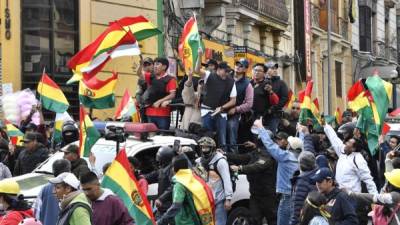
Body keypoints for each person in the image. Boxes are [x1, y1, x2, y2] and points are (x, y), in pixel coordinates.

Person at [253, 119, 298, 225]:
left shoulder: (286, 156)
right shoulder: (301, 156)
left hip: (287, 196)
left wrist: (260, 127)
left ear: (289, 145)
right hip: (295, 195)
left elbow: (270, 145)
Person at [226, 140, 277, 225]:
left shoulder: (268, 154)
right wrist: (225, 154)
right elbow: (242, 157)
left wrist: (240, 168)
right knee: (253, 219)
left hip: (268, 196)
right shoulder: (256, 152)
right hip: (255, 194)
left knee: (272, 219)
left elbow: (258, 166)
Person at [195, 49, 236, 151]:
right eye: (225, 71)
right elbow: (197, 70)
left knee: (222, 139)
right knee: (206, 138)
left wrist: (222, 108)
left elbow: (233, 101)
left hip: (221, 113)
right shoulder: (209, 75)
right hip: (207, 110)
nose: (227, 74)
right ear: (219, 69)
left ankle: (223, 158)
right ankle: (205, 158)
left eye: (228, 72)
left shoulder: (231, 82)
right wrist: (199, 55)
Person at [157, 155, 214, 225]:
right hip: (198, 219)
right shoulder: (192, 177)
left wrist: (160, 222)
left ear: (175, 168)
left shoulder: (179, 184)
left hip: (185, 221)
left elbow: (176, 206)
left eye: (172, 166)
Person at [195, 137, 233, 225]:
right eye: (202, 147)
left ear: (212, 148)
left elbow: (227, 180)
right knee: (207, 223)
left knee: (219, 223)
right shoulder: (199, 162)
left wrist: (228, 199)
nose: (204, 149)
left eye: (207, 147)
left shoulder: (220, 162)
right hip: (205, 201)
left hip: (219, 200)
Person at [226, 59, 254, 152]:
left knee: (231, 137)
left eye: (241, 65)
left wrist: (236, 109)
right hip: (221, 111)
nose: (238, 66)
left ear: (245, 69)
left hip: (234, 115)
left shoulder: (247, 84)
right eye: (237, 64)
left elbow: (249, 104)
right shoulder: (226, 77)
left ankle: (233, 158)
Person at [142, 57, 177, 130]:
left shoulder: (170, 79)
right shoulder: (151, 77)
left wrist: (159, 101)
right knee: (150, 137)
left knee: (162, 137)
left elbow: (172, 95)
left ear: (164, 67)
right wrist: (141, 64)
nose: (155, 66)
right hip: (149, 113)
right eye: (154, 64)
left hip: (163, 114)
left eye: (157, 64)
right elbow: (139, 73)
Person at [34, 159, 71, 225]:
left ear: (53, 172)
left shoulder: (44, 189)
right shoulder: (74, 188)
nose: (54, 191)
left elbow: (36, 214)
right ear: (69, 171)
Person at [144, 146, 176, 219]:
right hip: (162, 207)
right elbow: (153, 176)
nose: (158, 161)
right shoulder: (163, 169)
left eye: (159, 158)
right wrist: (141, 177)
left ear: (164, 159)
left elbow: (173, 186)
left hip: (168, 207)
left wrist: (161, 199)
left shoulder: (172, 170)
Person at [290, 151, 318, 225]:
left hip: (304, 220)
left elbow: (298, 206)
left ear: (301, 165)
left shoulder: (302, 181)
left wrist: (293, 222)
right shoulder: (318, 175)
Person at [264, 61, 288, 134]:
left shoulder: (281, 83)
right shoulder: (262, 81)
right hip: (261, 115)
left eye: (275, 68)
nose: (274, 70)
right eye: (271, 68)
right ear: (266, 70)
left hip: (274, 115)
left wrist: (273, 108)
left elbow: (284, 99)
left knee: (271, 135)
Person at [136, 56, 154, 123]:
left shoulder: (156, 74)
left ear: (153, 64)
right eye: (145, 65)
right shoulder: (142, 76)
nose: (147, 67)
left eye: (149, 64)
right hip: (144, 104)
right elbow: (138, 74)